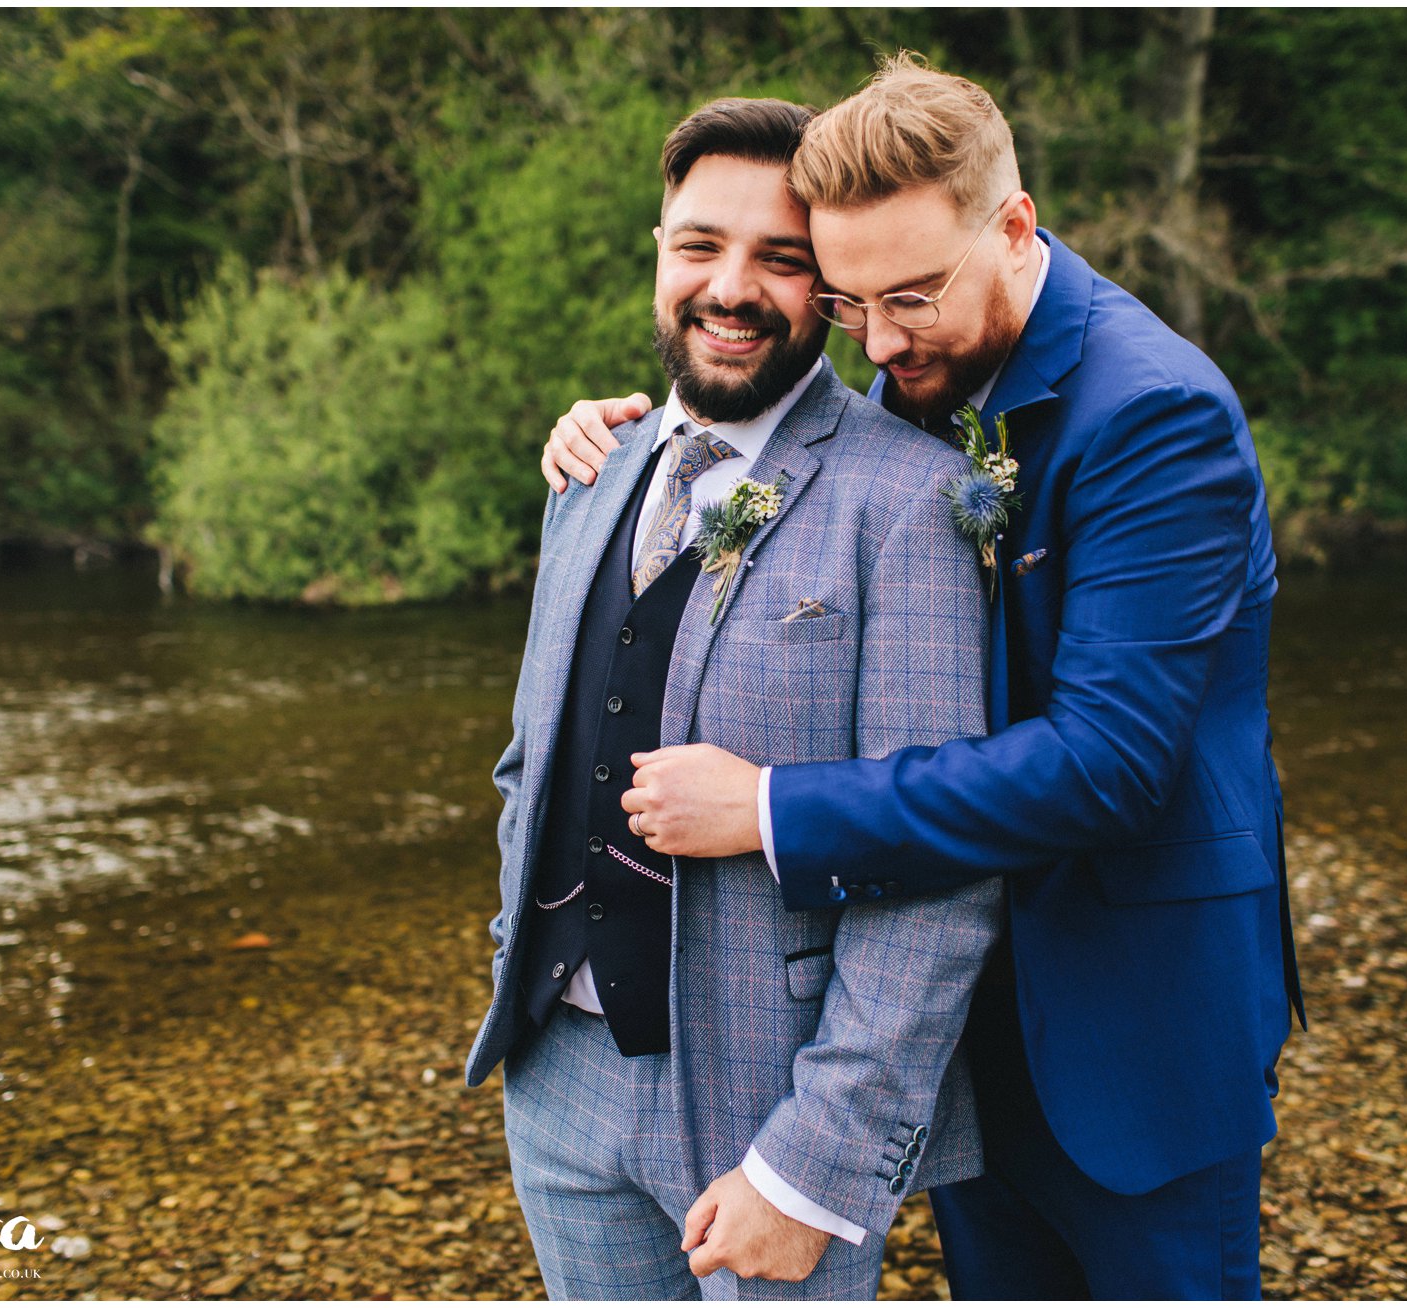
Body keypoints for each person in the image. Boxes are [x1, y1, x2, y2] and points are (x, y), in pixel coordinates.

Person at [541, 54, 1305, 1301]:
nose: (881, 343)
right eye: (848, 304)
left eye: (910, 296)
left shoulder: (1158, 415)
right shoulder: (922, 375)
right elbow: (782, 441)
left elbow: (1107, 768)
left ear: (1014, 227)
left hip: (1126, 1011)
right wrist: (630, 443)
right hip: (953, 1021)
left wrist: (775, 807)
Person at [463, 96, 1002, 1301]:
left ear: (833, 289)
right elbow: (528, 763)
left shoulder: (909, 501)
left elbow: (941, 879)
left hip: (769, 1097)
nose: (730, 287)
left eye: (782, 259)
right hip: (558, 1079)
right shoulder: (590, 472)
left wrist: (814, 1164)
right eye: (700, 246)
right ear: (659, 249)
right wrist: (517, 960)